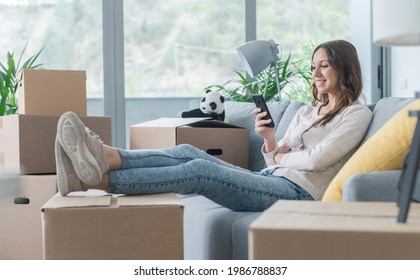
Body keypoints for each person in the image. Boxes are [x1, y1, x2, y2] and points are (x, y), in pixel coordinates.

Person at [55, 39, 372, 212]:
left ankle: (93, 181)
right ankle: (106, 157)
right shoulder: (308, 111)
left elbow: (317, 160)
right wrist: (271, 141)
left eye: (324, 65)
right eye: (313, 66)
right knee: (186, 150)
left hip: (298, 194)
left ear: (344, 68)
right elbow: (275, 159)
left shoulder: (356, 115)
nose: (316, 73)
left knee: (200, 172)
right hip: (271, 178)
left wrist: (286, 156)